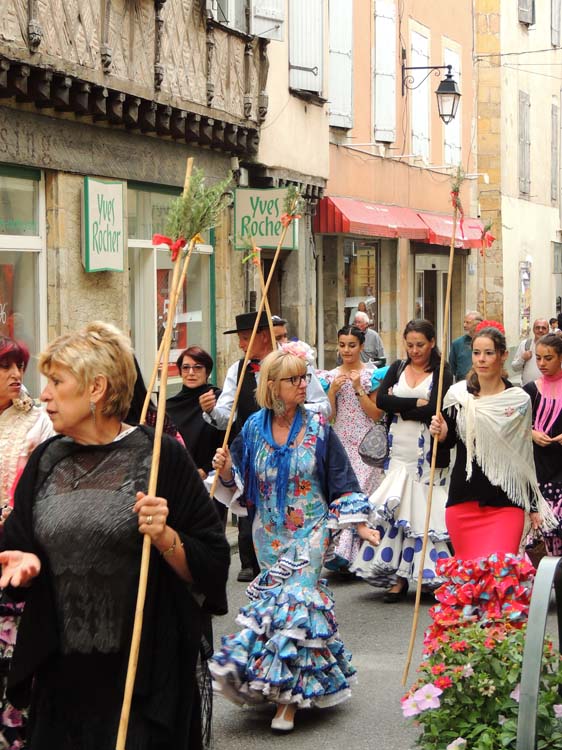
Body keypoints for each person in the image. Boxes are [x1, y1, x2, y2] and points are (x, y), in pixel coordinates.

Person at [0, 321, 230, 750]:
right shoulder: (46, 461)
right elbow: (18, 542)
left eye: (56, 381)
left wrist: (166, 538)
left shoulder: (160, 456)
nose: (43, 393)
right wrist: (21, 560)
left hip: (141, 682)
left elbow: (213, 562)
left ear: (96, 388)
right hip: (63, 680)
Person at [208, 348, 378, 733]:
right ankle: (281, 681)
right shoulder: (251, 428)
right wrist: (226, 469)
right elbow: (238, 485)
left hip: (311, 533)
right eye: (294, 379)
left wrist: (359, 525)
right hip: (267, 535)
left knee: (297, 605)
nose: (304, 385)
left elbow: (341, 479)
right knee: (275, 613)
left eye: (305, 377)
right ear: (272, 387)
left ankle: (287, 701)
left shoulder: (319, 428)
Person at [200, 311, 330, 582]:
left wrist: (293, 407)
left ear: (262, 337)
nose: (241, 344)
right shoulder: (239, 370)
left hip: (297, 453)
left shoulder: (296, 365)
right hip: (257, 453)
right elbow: (227, 415)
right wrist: (212, 410)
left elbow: (324, 406)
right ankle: (252, 563)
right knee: (253, 504)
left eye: (246, 338)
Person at [430, 323, 553, 560]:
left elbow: (523, 455)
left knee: (499, 575)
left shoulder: (518, 400)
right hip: (464, 499)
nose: (481, 360)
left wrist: (533, 504)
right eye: (477, 353)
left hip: (505, 501)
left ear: (503, 355)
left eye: (489, 353)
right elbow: (447, 444)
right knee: (470, 580)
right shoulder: (458, 396)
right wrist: (442, 432)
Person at [351, 319, 453, 601]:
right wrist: (413, 405)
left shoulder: (444, 372)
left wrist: (404, 408)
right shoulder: (397, 367)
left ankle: (429, 575)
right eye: (410, 345)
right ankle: (396, 577)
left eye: (420, 345)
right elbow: (382, 400)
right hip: (398, 451)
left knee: (423, 511)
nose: (415, 350)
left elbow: (436, 408)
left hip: (427, 454)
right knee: (396, 510)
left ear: (432, 343)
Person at [0, 336, 54, 749]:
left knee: (12, 660)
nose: (17, 375)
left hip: (17, 549)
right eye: (6, 367)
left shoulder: (38, 419)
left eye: (20, 366)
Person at [166, 346, 227, 526]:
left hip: (210, 482)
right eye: (186, 367)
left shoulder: (218, 400)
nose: (191, 372)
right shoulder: (169, 406)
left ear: (207, 371)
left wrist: (207, 468)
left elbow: (228, 438)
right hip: (179, 484)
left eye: (197, 367)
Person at [523, 332, 562, 556]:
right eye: (538, 358)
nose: (542, 363)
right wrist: (532, 433)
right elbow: (516, 427)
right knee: (544, 534)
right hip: (539, 467)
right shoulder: (530, 390)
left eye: (548, 358)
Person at [511, 318, 550, 386]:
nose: (540, 330)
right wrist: (522, 359)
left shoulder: (554, 346)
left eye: (543, 328)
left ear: (548, 330)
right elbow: (514, 368)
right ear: (533, 329)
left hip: (548, 389)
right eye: (537, 328)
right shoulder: (525, 345)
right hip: (527, 390)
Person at [448, 310, 483, 380]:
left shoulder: (486, 342)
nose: (464, 325)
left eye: (468, 323)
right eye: (464, 322)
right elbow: (453, 367)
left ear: (478, 324)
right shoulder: (457, 343)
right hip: (463, 383)